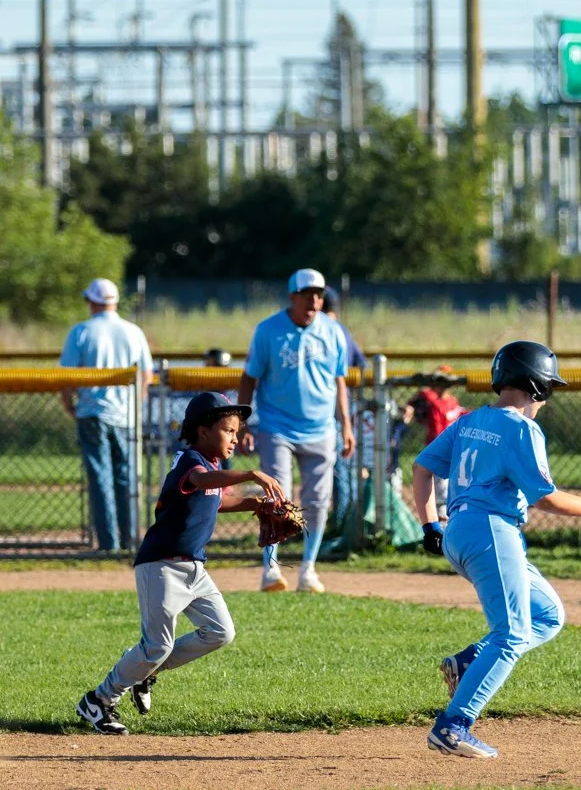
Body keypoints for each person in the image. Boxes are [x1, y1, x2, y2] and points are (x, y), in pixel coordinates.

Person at [412, 341, 581, 759]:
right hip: (492, 530)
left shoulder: (470, 421)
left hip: (460, 531)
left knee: (548, 615)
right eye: (548, 387)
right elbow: (545, 498)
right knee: (512, 634)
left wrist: (429, 524)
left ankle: (470, 662)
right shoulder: (523, 429)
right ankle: (453, 726)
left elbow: (422, 466)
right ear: (536, 387)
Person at [75, 392, 285, 735]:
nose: (234, 437)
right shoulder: (189, 461)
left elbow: (217, 500)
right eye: (227, 430)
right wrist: (252, 474)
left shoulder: (214, 467)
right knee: (156, 646)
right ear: (202, 430)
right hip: (160, 565)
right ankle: (98, 700)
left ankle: (146, 671)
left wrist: (256, 504)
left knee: (220, 632)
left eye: (236, 431)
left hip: (194, 568)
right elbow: (202, 482)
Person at [237, 269, 356, 594]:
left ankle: (308, 569)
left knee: (318, 501)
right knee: (277, 497)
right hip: (277, 426)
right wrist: (244, 422)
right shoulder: (268, 331)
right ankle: (271, 569)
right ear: (293, 297)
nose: (314, 300)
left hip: (321, 428)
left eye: (318, 295)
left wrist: (346, 424)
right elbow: (249, 377)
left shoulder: (333, 331)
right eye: (307, 295)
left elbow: (339, 381)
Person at [60, 277, 154, 552]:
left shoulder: (81, 331)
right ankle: (129, 540)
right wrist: (135, 404)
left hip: (92, 413)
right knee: (127, 479)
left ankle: (108, 544)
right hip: (125, 416)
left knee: (100, 479)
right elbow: (146, 375)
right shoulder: (133, 331)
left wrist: (69, 404)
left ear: (92, 302)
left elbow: (66, 375)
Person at [322, 287, 368, 537]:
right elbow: (362, 365)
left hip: (327, 407)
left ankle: (340, 523)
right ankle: (341, 520)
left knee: (338, 467)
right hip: (343, 406)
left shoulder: (326, 329)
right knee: (342, 465)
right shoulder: (343, 331)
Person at [402, 365, 467, 523]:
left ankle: (449, 516)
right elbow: (413, 403)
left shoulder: (452, 401)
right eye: (437, 381)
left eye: (443, 380)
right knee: (440, 485)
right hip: (437, 448)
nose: (440, 385)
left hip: (456, 449)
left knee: (454, 484)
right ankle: (441, 518)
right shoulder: (430, 399)